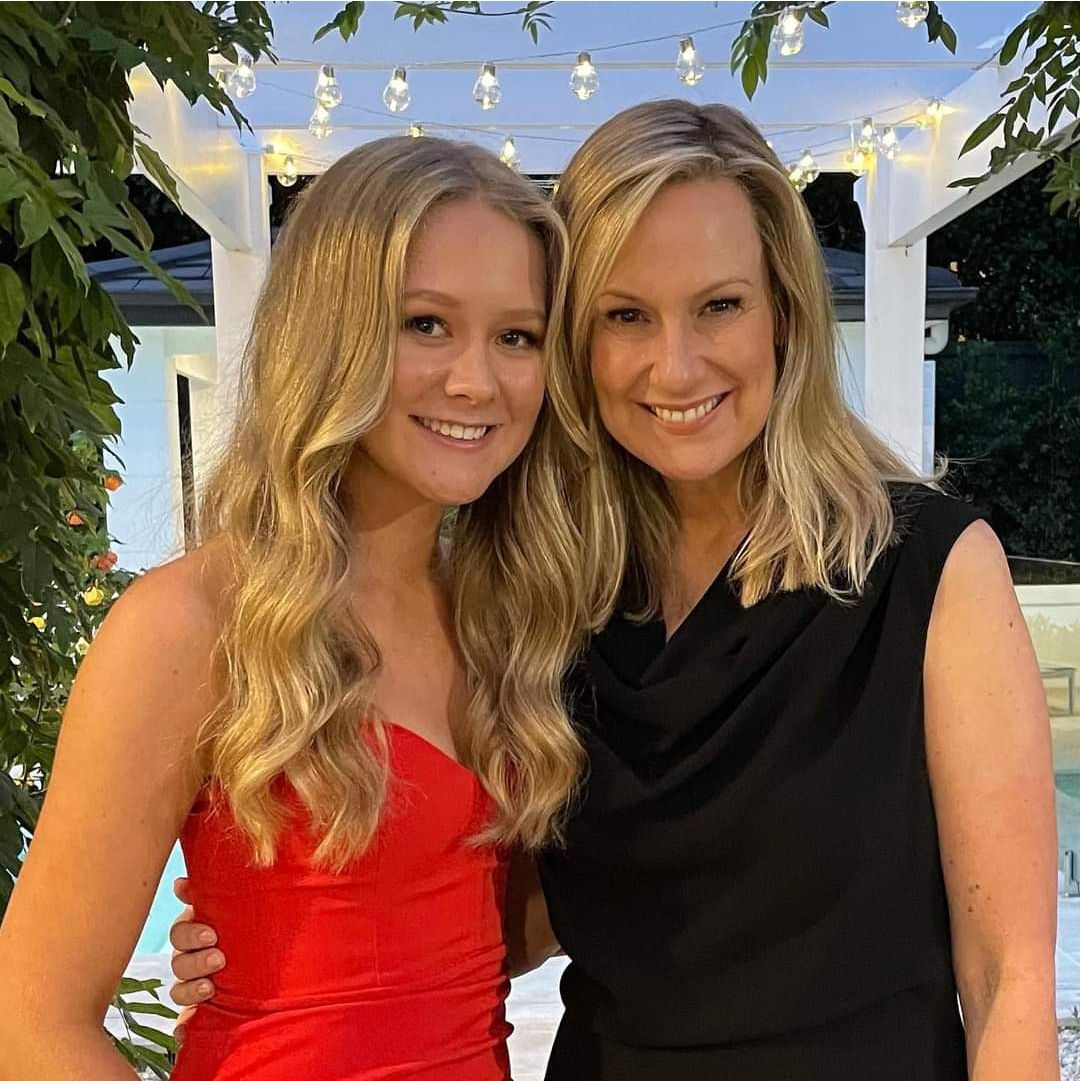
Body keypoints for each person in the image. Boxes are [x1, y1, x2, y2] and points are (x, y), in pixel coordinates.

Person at [169, 102, 1059, 1079]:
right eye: (626, 315)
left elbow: (1010, 976)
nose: (676, 365)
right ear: (574, 343)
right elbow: (510, 915)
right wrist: (279, 943)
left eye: (720, 305)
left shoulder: (927, 567)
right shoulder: (546, 593)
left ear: (785, 313)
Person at [0, 136, 593, 1081]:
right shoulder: (193, 623)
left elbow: (461, 941)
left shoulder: (503, 618)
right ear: (331, 334)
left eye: (517, 336)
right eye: (426, 324)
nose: (477, 380)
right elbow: (29, 1022)